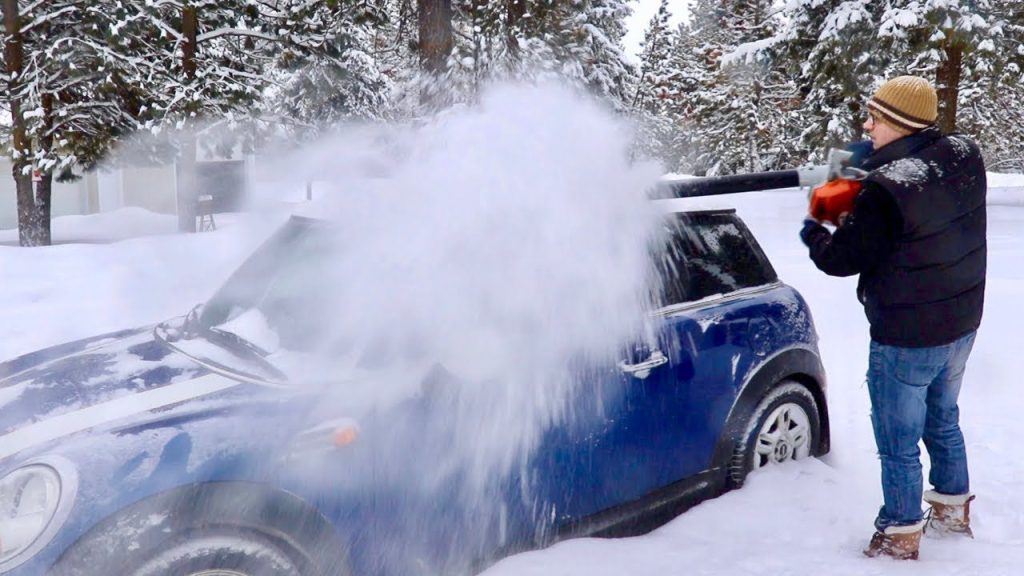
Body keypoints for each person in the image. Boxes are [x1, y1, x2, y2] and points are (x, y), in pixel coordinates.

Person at [799, 75, 987, 560]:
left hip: (907, 335)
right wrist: (864, 158)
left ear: (902, 126)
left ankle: (899, 534)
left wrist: (817, 218)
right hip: (961, 321)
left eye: (876, 119)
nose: (866, 124)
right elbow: (914, 178)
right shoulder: (963, 153)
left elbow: (839, 258)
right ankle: (950, 510)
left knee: (898, 440)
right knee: (943, 419)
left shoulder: (885, 191)